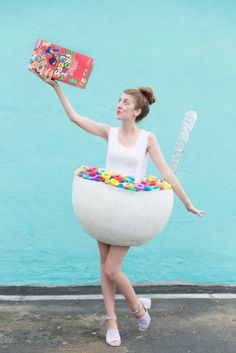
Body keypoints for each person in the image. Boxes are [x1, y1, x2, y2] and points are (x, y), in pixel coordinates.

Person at [32, 67, 205, 347]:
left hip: (128, 211)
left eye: (125, 102)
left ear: (136, 111)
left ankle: (137, 307)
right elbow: (75, 118)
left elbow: (166, 173)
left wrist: (187, 203)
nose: (119, 104)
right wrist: (57, 88)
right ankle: (111, 320)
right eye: (119, 99)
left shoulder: (147, 139)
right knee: (104, 268)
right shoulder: (109, 132)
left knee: (113, 270)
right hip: (105, 207)